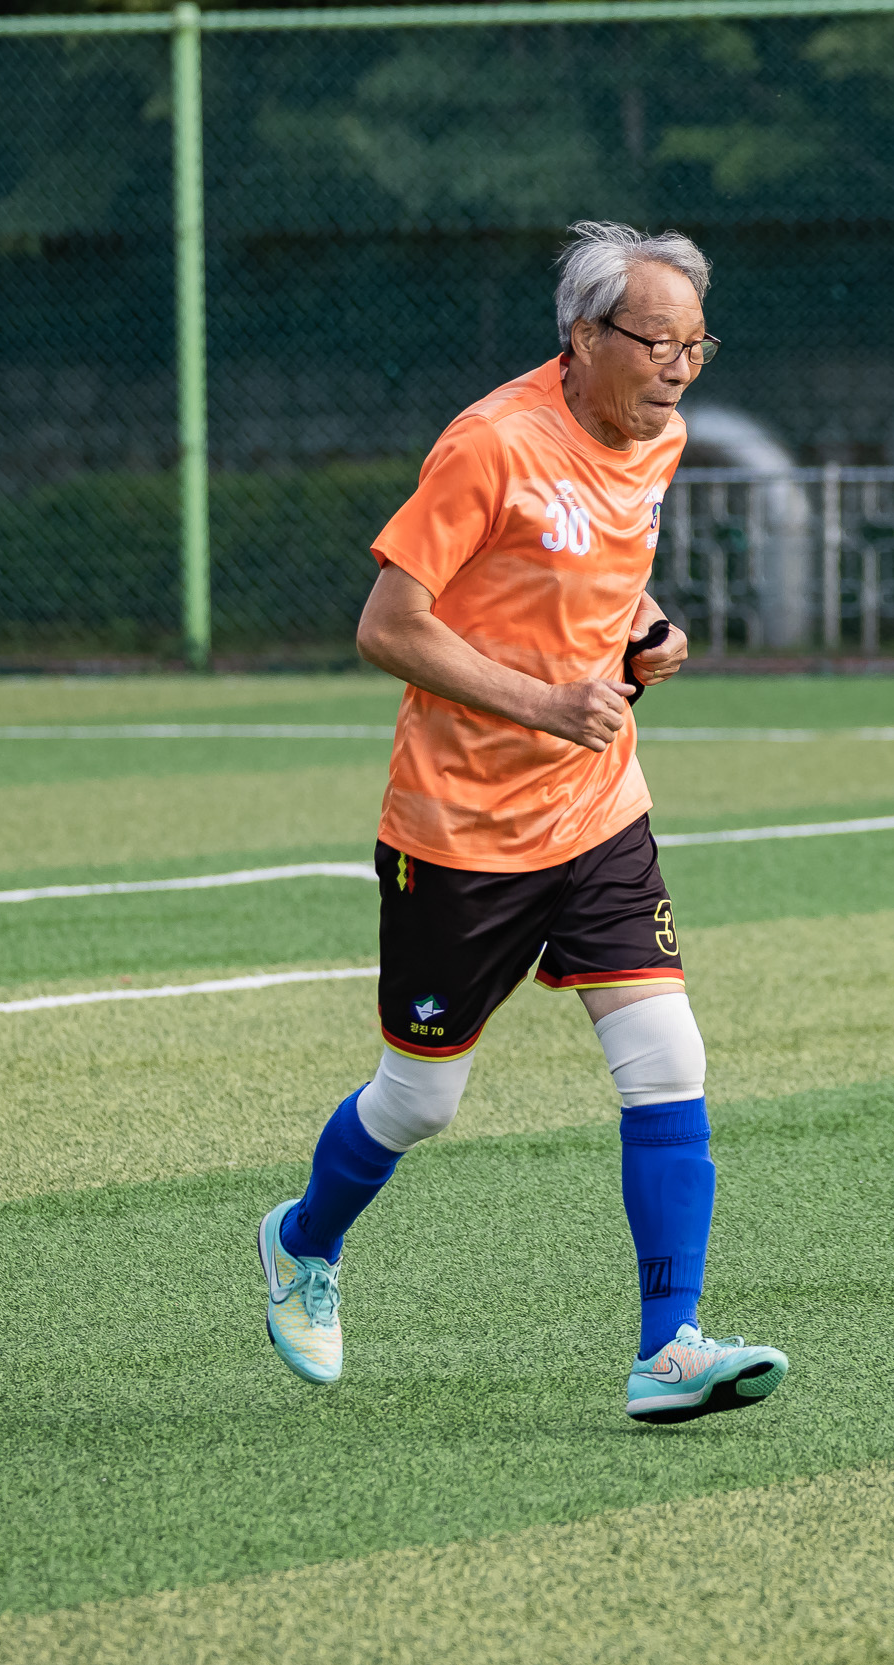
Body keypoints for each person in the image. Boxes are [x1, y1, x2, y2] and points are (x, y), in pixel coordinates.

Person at [256, 222, 787, 1425]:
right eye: (657, 340)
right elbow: (388, 626)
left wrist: (640, 630)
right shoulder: (488, 445)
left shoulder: (661, 436)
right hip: (459, 828)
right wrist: (550, 700)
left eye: (697, 342)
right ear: (583, 334)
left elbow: (589, 571)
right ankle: (300, 1240)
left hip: (597, 809)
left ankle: (670, 1346)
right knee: (421, 1099)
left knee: (668, 1060)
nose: (680, 366)